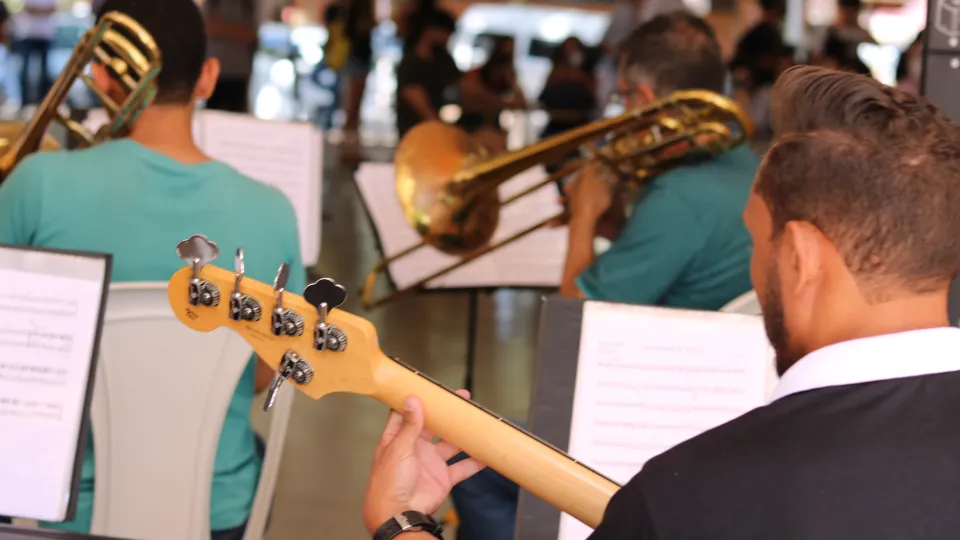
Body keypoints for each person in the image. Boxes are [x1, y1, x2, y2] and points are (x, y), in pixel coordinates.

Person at [360, 64, 960, 539]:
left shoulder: (692, 495)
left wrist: (402, 524)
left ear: (800, 258)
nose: (755, 262)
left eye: (757, 238)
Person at [445, 12, 759, 540]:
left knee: (464, 461)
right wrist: (617, 220)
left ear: (641, 96)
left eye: (622, 99)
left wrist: (586, 216)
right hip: (710, 411)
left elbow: (572, 325)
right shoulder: (749, 167)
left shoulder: (677, 197)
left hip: (647, 419)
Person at [0, 0, 304, 538]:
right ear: (208, 77)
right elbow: (263, 375)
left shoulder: (37, 183)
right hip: (215, 514)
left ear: (98, 73)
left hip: (52, 512)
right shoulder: (271, 209)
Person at [393, 9, 460, 139]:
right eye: (446, 33)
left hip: (435, 125)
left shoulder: (443, 59)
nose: (448, 38)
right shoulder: (410, 62)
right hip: (414, 132)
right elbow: (420, 104)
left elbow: (463, 85)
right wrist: (442, 129)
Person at [456, 36, 526, 154]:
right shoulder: (476, 74)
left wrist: (511, 79)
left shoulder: (508, 76)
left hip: (492, 125)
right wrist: (499, 103)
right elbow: (471, 98)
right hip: (471, 125)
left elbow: (522, 103)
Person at [204, 0, 260, 113]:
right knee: (212, 117)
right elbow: (209, 27)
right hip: (216, 73)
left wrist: (222, 28)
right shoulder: (213, 3)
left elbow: (252, 35)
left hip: (239, 73)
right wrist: (236, 31)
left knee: (236, 118)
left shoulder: (247, 4)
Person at [16, 0, 56, 106]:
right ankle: (24, 102)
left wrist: (35, 10)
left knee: (44, 72)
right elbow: (27, 9)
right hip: (27, 34)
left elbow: (52, 9)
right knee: (24, 71)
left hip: (45, 35)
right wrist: (43, 11)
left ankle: (42, 102)